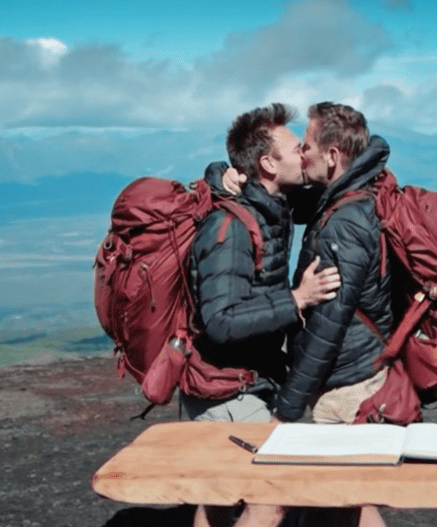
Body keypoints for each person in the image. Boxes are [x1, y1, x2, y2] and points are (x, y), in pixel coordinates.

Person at [186, 102, 341, 527]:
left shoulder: (279, 205)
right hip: (226, 393)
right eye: (297, 148)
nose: (306, 153)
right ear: (268, 163)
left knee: (216, 501)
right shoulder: (232, 227)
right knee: (272, 501)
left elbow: (338, 184)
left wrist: (217, 171)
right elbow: (220, 320)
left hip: (240, 383)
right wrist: (297, 299)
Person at [273, 102, 395, 527]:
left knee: (336, 505)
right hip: (363, 373)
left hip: (346, 389)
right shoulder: (358, 196)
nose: (301, 154)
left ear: (333, 155)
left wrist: (286, 408)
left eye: (306, 146)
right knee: (354, 501)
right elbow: (289, 201)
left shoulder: (342, 222)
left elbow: (328, 327)